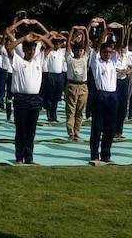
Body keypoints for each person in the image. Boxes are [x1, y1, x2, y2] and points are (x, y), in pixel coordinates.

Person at [6, 20, 54, 165]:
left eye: (33, 49)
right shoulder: (18, 61)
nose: (31, 52)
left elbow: (50, 46)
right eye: (29, 49)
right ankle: (19, 157)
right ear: (24, 50)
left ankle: (29, 157)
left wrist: (39, 36)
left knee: (31, 131)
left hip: (34, 99)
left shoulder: (38, 60)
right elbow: (9, 47)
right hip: (21, 99)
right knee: (21, 130)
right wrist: (24, 38)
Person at [88, 25, 119, 164]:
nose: (107, 54)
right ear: (101, 52)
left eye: (109, 52)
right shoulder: (96, 62)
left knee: (110, 127)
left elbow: (120, 45)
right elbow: (98, 45)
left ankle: (106, 154)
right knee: (97, 127)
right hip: (100, 95)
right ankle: (94, 154)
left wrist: (122, 30)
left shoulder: (112, 62)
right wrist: (105, 29)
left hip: (113, 96)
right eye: (105, 52)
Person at [64, 25, 90, 142]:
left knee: (80, 111)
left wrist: (85, 31)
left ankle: (77, 132)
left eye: (80, 50)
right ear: (74, 51)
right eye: (77, 50)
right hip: (72, 85)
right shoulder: (70, 58)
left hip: (83, 86)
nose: (79, 52)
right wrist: (72, 30)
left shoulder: (84, 58)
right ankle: (71, 133)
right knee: (71, 110)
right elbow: (68, 44)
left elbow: (87, 45)